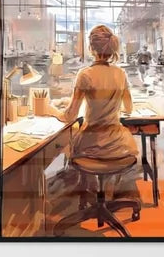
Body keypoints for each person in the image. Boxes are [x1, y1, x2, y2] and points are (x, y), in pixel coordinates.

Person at [58, 25, 138, 168]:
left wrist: (48, 110)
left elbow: (70, 116)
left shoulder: (85, 74)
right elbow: (129, 108)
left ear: (91, 48)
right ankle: (109, 188)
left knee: (66, 143)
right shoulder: (120, 73)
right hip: (117, 145)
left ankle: (89, 184)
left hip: (91, 145)